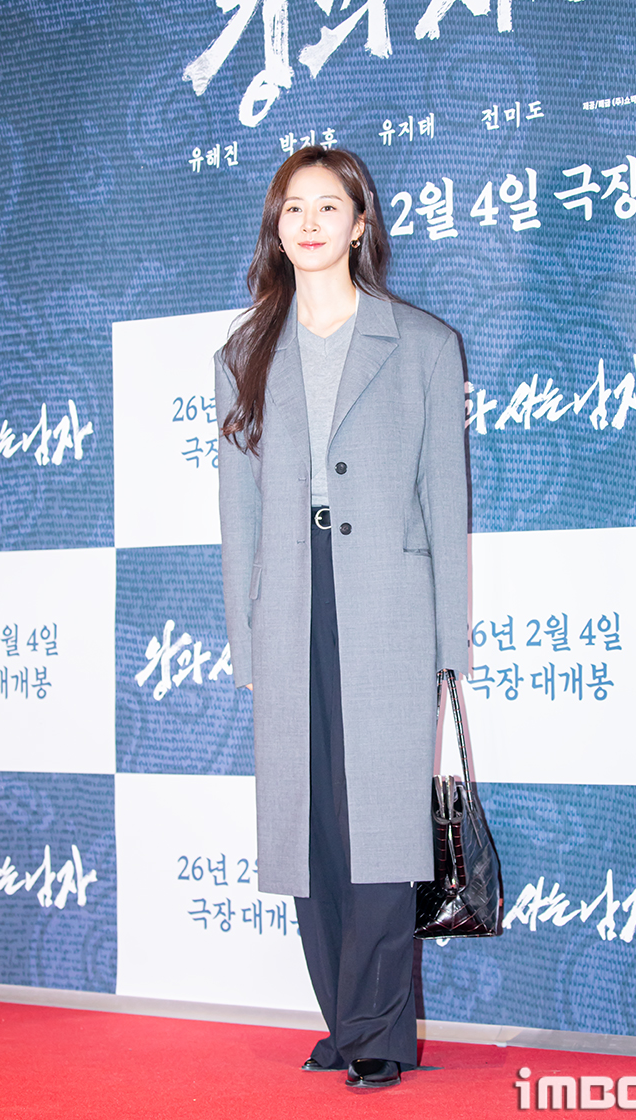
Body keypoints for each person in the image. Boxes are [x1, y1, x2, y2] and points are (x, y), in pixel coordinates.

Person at [214, 147, 470, 1090]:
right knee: (308, 823)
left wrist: (449, 642)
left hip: (388, 603)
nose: (310, 222)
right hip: (289, 601)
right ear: (276, 229)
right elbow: (238, 517)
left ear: (361, 224)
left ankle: (377, 1034)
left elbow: (446, 501)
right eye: (293, 208)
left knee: (381, 826)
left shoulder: (424, 343)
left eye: (330, 206)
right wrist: (245, 640)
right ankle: (346, 1020)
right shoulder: (243, 353)